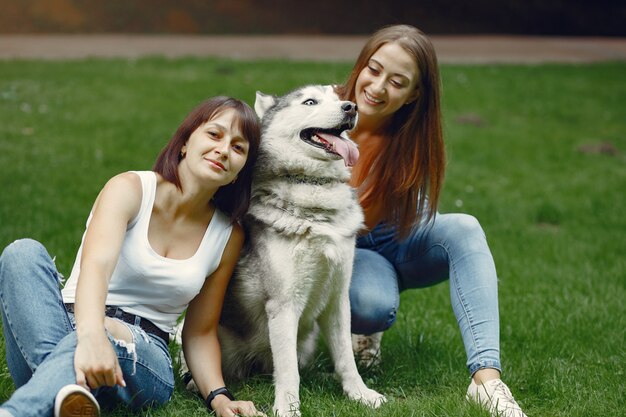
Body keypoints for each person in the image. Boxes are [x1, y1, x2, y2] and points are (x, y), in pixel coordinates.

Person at [0, 97, 266, 417]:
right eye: (214, 134)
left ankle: (28, 403)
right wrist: (92, 334)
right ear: (184, 143)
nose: (224, 149)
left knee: (104, 334)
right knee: (22, 253)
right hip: (70, 324)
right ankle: (67, 395)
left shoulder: (227, 235)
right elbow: (96, 268)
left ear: (240, 173)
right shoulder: (129, 189)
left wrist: (220, 398)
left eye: (239, 148)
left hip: (143, 354)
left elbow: (199, 330)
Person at [336, 25, 528, 417]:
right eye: (373, 69)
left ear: (414, 95)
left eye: (397, 82)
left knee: (465, 227)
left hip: (397, 235)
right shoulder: (320, 110)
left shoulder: (412, 137)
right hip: (348, 246)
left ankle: (487, 382)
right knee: (372, 305)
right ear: (360, 65)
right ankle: (365, 328)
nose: (377, 86)